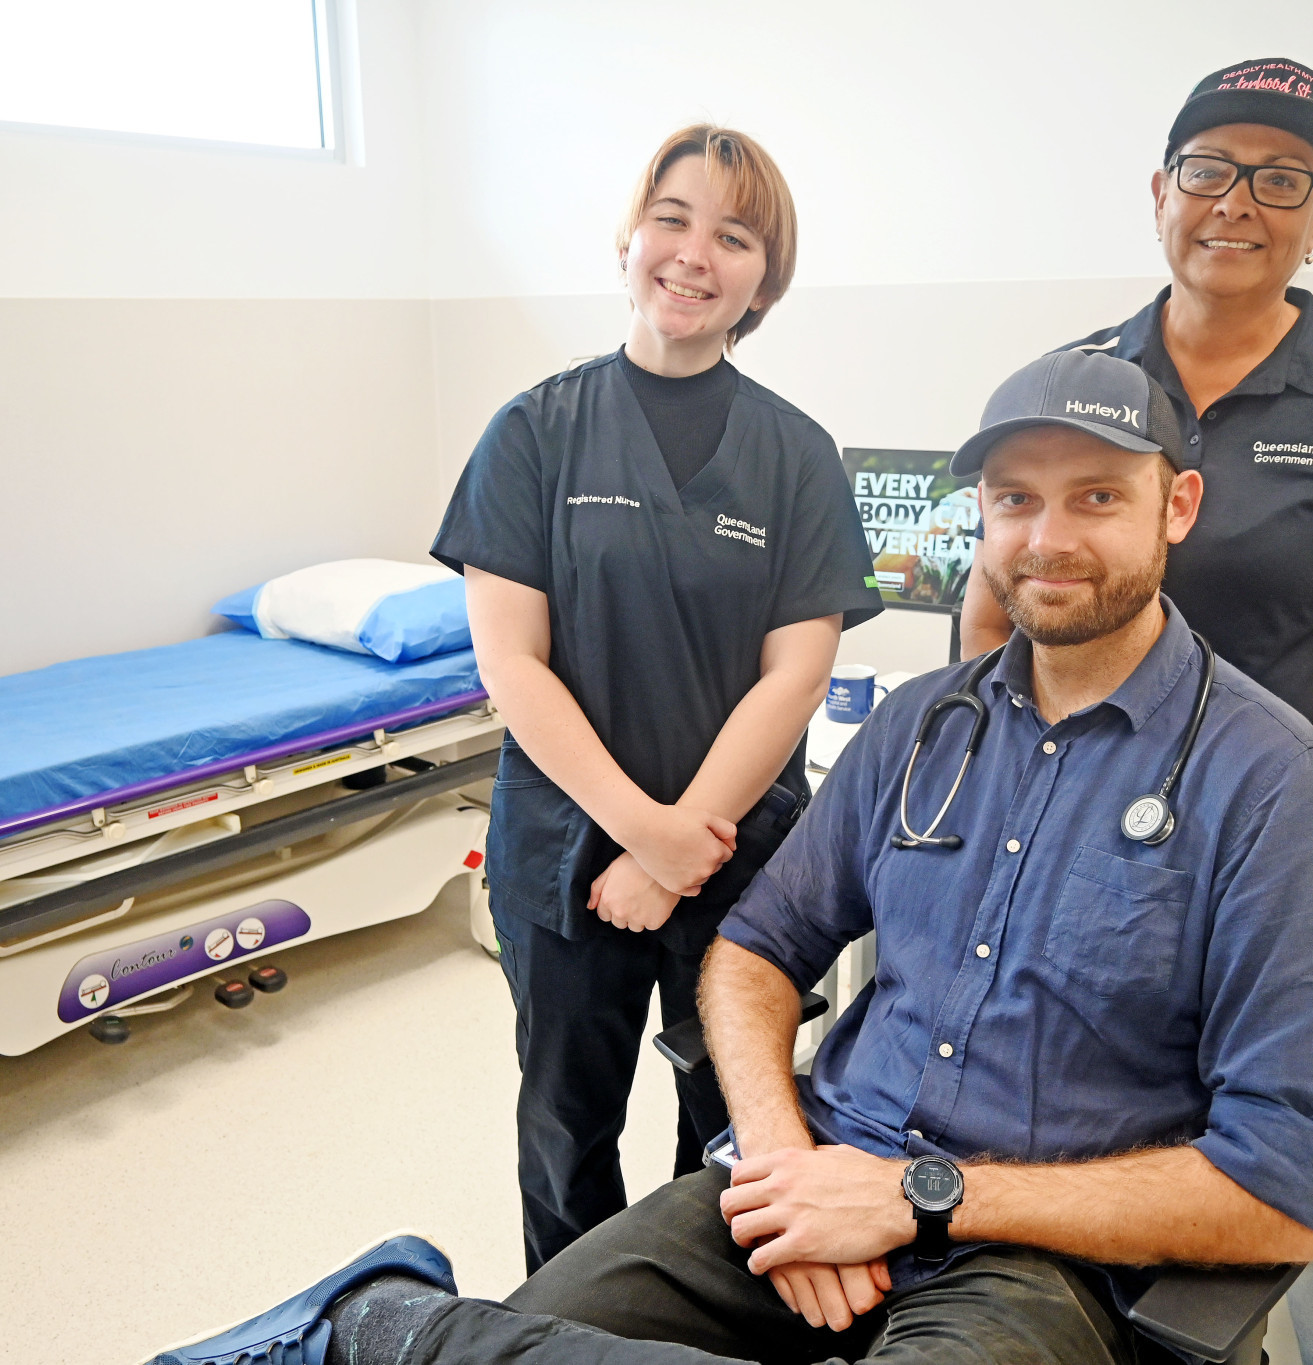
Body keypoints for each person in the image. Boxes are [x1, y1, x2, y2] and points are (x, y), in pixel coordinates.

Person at [147, 350, 1313, 1365]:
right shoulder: (916, 728)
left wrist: (914, 1200)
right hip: (811, 1172)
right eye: (1014, 499)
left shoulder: (1266, 785)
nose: (1046, 538)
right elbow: (752, 950)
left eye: (1096, 496)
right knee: (533, 1330)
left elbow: (1288, 1185)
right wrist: (786, 1157)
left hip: (1039, 1260)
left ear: (1176, 507)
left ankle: (377, 1332)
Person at [957, 58, 1313, 1363]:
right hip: (1064, 841)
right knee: (1077, 1134)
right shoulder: (1072, 376)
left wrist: (1235, 835)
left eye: (1282, 177)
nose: (1240, 200)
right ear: (1161, 190)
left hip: (1273, 859)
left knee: (1308, 1165)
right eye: (1211, 168)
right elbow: (993, 611)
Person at [429, 125, 883, 1275]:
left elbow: (797, 672)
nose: (693, 254)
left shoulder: (795, 455)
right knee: (563, 1119)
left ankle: (706, 1317)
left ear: (763, 277)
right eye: (671, 220)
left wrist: (683, 850)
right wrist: (643, 832)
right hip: (562, 853)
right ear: (629, 238)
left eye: (732, 236)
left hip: (739, 862)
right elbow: (512, 665)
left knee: (728, 1123)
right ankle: (566, 1324)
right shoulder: (533, 432)